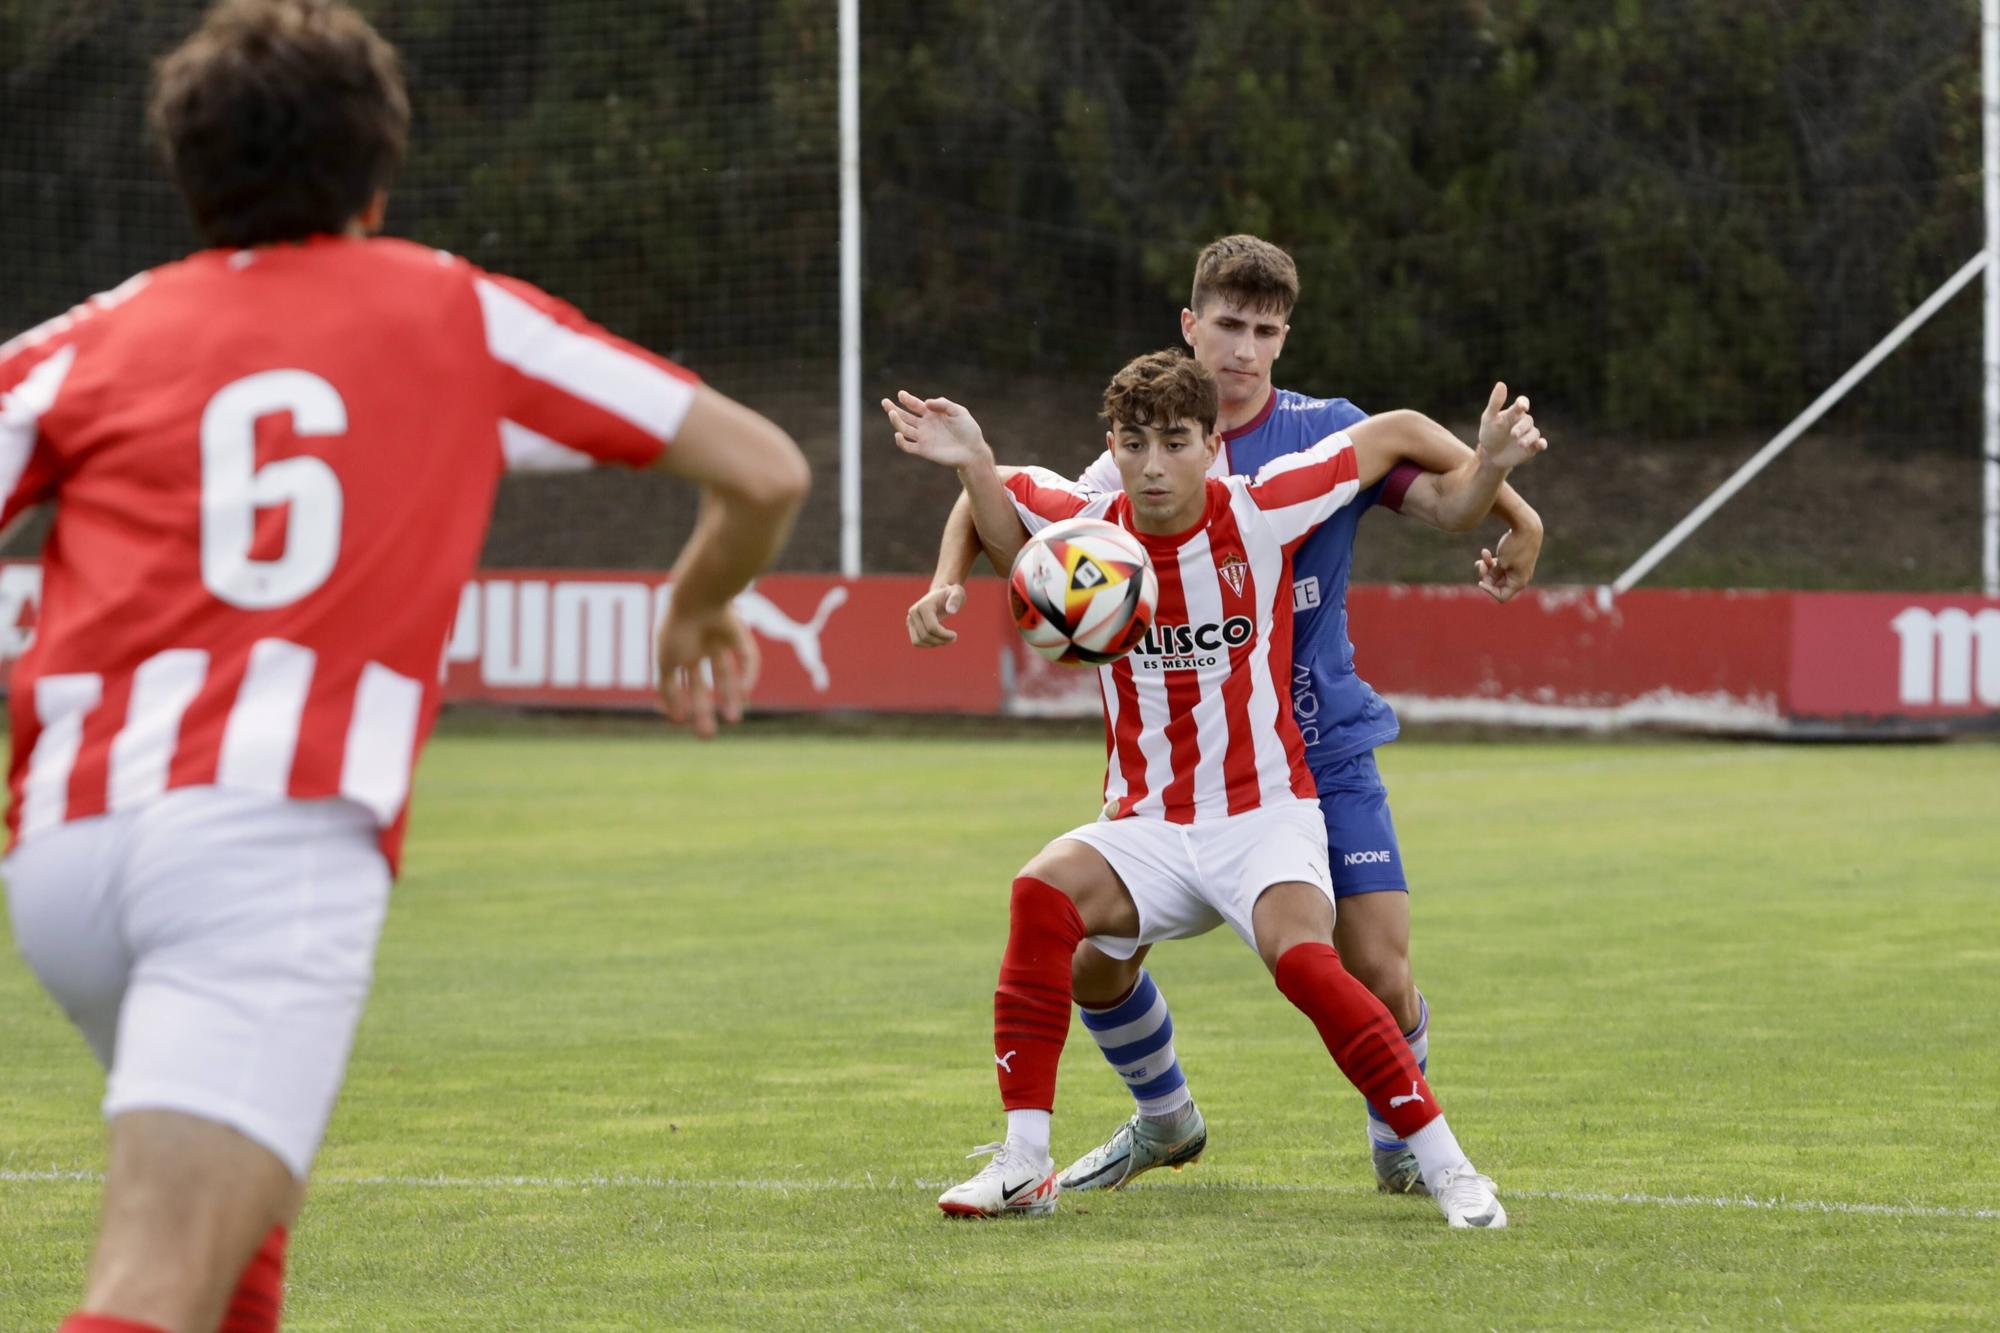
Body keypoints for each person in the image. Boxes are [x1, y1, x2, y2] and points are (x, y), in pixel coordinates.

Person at [0, 4, 809, 1330]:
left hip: (63, 856)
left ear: (189, 175)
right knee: (149, 1285)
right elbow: (764, 466)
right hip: (265, 840)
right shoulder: (451, 307)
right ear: (379, 168)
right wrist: (696, 602)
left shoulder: (98, 332)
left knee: (239, 1225)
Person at [907, 235, 1544, 1196]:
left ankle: (1401, 1134)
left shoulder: (1313, 441)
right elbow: (1020, 510)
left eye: (1264, 331)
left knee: (1372, 965)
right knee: (1083, 961)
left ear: (1282, 339)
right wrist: (951, 574)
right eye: (1227, 326)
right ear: (1189, 326)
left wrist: (1520, 514)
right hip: (1177, 761)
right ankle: (1163, 1118)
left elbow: (1450, 493)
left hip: (1316, 741)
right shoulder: (1139, 446)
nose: (1242, 349)